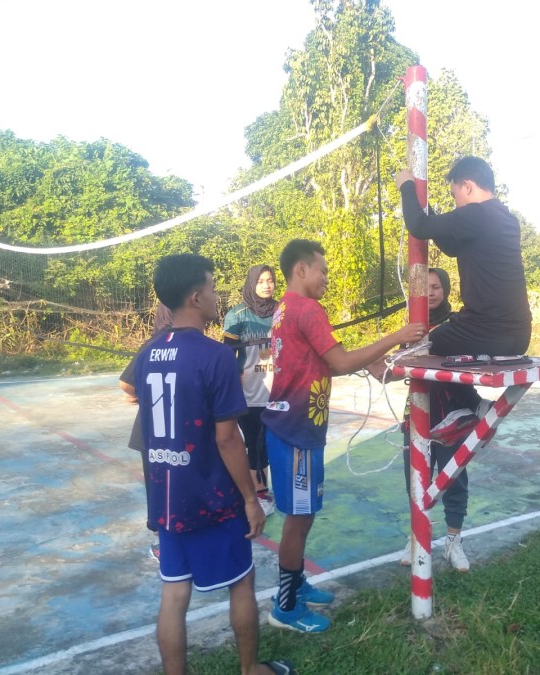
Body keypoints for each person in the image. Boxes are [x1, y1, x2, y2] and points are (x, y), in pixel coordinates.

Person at [134, 254, 293, 675]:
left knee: (174, 593)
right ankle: (250, 669)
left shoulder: (148, 353)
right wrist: (250, 499)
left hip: (166, 495)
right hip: (210, 494)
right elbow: (227, 438)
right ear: (195, 297)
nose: (215, 295)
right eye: (210, 287)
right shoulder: (215, 355)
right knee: (241, 582)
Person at [262, 239, 425, 633]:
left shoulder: (286, 307)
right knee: (299, 518)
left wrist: (373, 361)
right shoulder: (306, 308)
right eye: (322, 270)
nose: (326, 278)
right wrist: (397, 336)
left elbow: (324, 361)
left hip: (293, 426)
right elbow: (340, 361)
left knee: (303, 514)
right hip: (297, 431)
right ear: (301, 269)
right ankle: (286, 607)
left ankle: (295, 584)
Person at [395, 156, 532, 439]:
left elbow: (419, 227)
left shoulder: (477, 214)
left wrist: (406, 187)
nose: (455, 201)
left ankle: (457, 411)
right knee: (445, 344)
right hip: (517, 334)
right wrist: (427, 208)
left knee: (424, 348)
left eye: (454, 193)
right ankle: (475, 406)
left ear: (467, 187)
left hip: (487, 330)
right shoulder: (503, 217)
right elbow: (450, 246)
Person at [397, 268, 472, 571]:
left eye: (436, 287)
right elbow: (400, 363)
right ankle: (418, 536)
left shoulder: (457, 326)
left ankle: (454, 541)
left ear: (446, 290)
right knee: (416, 481)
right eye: (424, 287)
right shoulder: (412, 327)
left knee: (454, 480)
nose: (429, 292)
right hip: (417, 415)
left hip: (451, 415)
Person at [118, 303, 173, 560]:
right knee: (162, 484)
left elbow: (126, 385)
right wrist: (143, 394)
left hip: (161, 429)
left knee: (162, 484)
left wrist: (140, 394)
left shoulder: (156, 345)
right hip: (158, 429)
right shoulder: (156, 345)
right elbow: (126, 382)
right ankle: (163, 537)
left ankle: (164, 537)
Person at [223, 264, 279, 517]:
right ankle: (259, 493)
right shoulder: (237, 315)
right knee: (254, 443)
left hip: (279, 390)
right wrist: (233, 383)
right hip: (249, 391)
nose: (267, 285)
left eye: (270, 280)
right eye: (261, 281)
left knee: (271, 443)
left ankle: (267, 490)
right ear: (251, 284)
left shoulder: (282, 311)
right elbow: (228, 355)